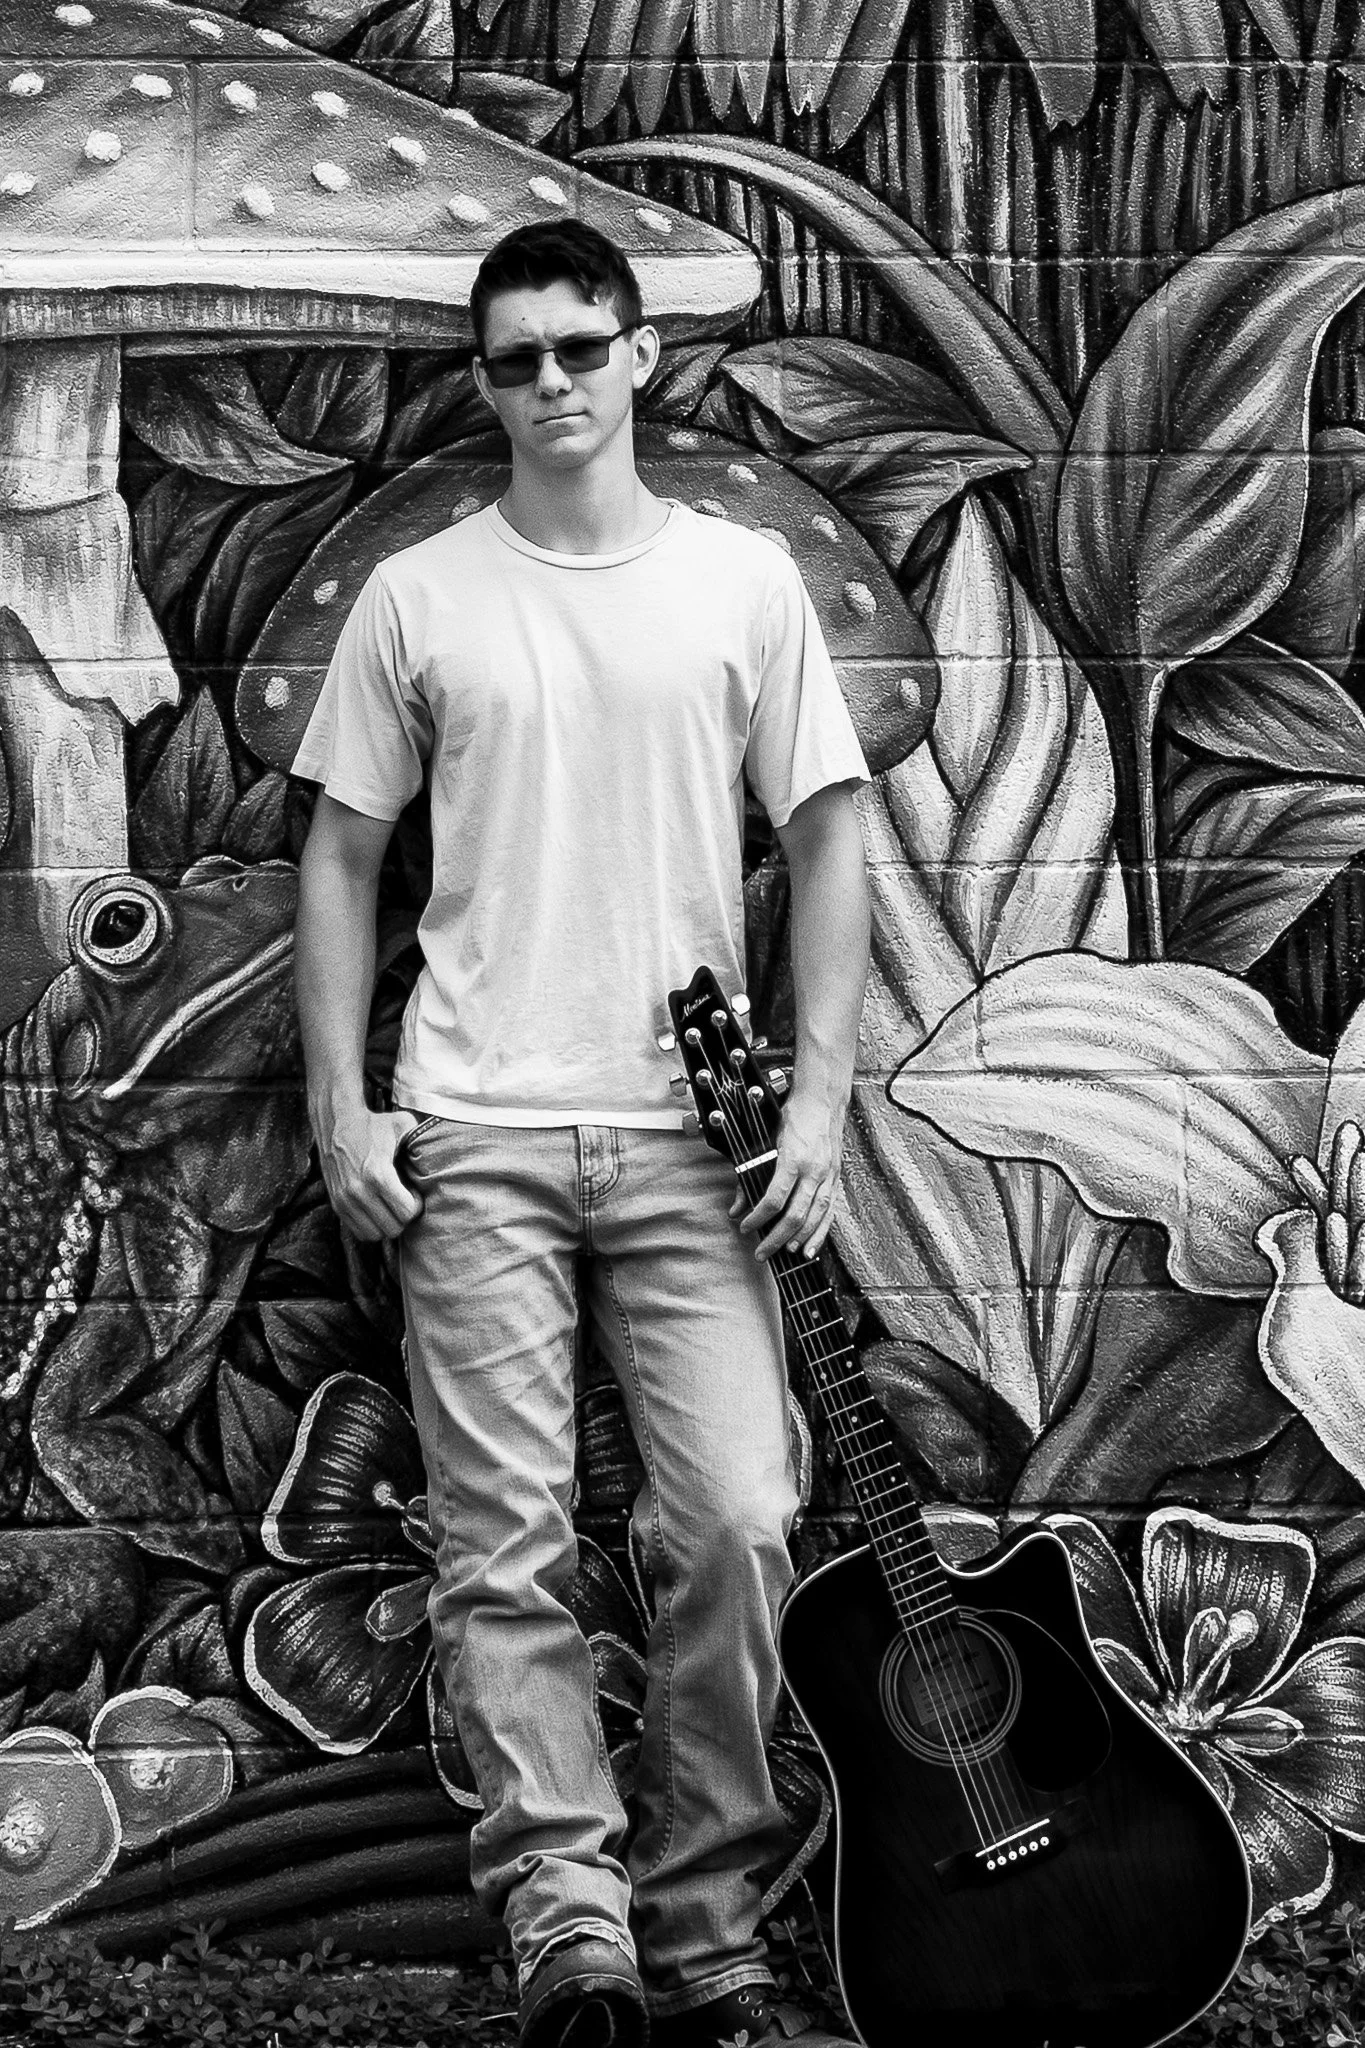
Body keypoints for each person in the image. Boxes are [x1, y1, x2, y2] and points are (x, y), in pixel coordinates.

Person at [292, 220, 871, 2048]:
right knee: (504, 1546)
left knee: (741, 1517)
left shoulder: (742, 586)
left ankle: (705, 1922)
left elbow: (835, 833)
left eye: (576, 347)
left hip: (697, 1139)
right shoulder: (423, 596)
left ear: (639, 360)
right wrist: (340, 1104)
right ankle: (575, 1931)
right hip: (473, 1133)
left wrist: (828, 1094)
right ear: (487, 383)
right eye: (512, 358)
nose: (547, 381)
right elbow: (339, 853)